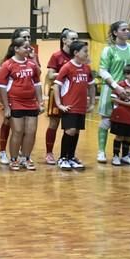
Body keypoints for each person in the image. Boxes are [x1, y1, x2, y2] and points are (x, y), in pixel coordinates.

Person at [0, 37, 44, 171]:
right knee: (17, 131)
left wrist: (40, 102)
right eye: (25, 47)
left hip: (31, 103)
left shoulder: (32, 64)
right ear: (16, 49)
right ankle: (14, 159)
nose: (28, 49)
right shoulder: (8, 65)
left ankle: (26, 158)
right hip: (15, 102)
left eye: (28, 47)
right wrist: (6, 107)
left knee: (31, 132)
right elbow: (2, 86)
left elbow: (37, 83)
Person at [97, 21, 130, 163]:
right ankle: (101, 151)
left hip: (129, 91)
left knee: (127, 122)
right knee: (106, 121)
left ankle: (127, 152)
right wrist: (116, 86)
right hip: (111, 90)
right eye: (124, 29)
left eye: (128, 29)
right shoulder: (109, 50)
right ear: (115, 32)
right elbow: (102, 70)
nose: (127, 31)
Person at [53, 41, 95, 170]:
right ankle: (62, 158)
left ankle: (71, 157)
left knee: (76, 131)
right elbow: (56, 86)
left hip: (81, 106)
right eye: (85, 51)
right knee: (69, 131)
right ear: (76, 53)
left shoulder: (87, 68)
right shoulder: (67, 67)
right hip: (69, 106)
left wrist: (92, 102)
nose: (87, 54)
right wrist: (59, 103)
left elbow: (92, 86)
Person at [44, 28, 79, 164]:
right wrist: (66, 73)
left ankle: (69, 155)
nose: (76, 41)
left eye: (77, 38)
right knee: (54, 123)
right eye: (73, 39)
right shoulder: (57, 55)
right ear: (64, 40)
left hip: (73, 94)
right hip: (58, 93)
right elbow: (50, 75)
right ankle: (49, 153)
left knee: (73, 126)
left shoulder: (78, 56)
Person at [110, 64, 130, 165]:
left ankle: (125, 156)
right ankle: (115, 156)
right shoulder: (121, 85)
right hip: (120, 115)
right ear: (126, 75)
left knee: (128, 136)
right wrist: (127, 103)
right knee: (120, 136)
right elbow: (113, 98)